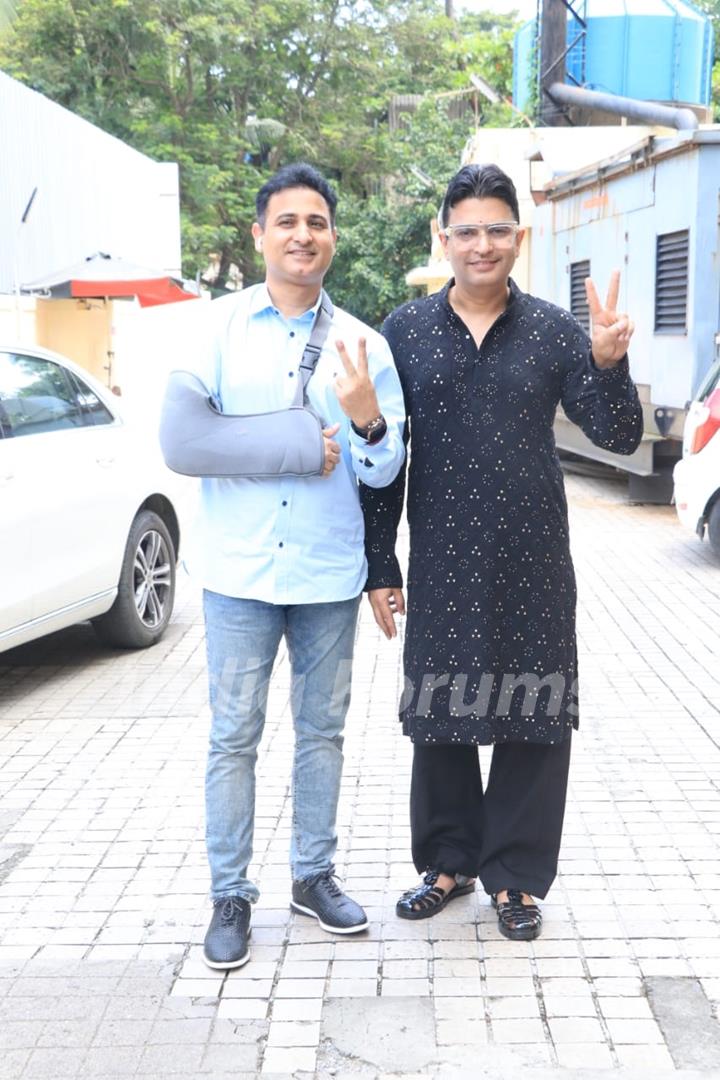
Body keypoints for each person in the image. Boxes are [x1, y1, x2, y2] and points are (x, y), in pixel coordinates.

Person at [361, 163, 642, 941]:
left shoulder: (555, 330)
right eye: (466, 231)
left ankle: (515, 879)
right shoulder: (404, 332)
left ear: (520, 238)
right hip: (443, 556)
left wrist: (611, 364)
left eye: (496, 230)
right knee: (441, 713)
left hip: (533, 557)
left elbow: (617, 435)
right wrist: (380, 562)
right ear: (441, 238)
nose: (481, 245)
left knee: (535, 716)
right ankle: (447, 865)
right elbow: (386, 457)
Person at [176, 163, 405, 969]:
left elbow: (381, 474)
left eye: (317, 221)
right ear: (260, 235)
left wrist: (370, 426)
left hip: (323, 573)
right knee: (234, 736)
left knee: (322, 733)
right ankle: (229, 894)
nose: (302, 235)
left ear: (332, 236)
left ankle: (313, 876)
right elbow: (184, 445)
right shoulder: (212, 331)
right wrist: (298, 447)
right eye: (287, 222)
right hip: (237, 573)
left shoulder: (365, 345)